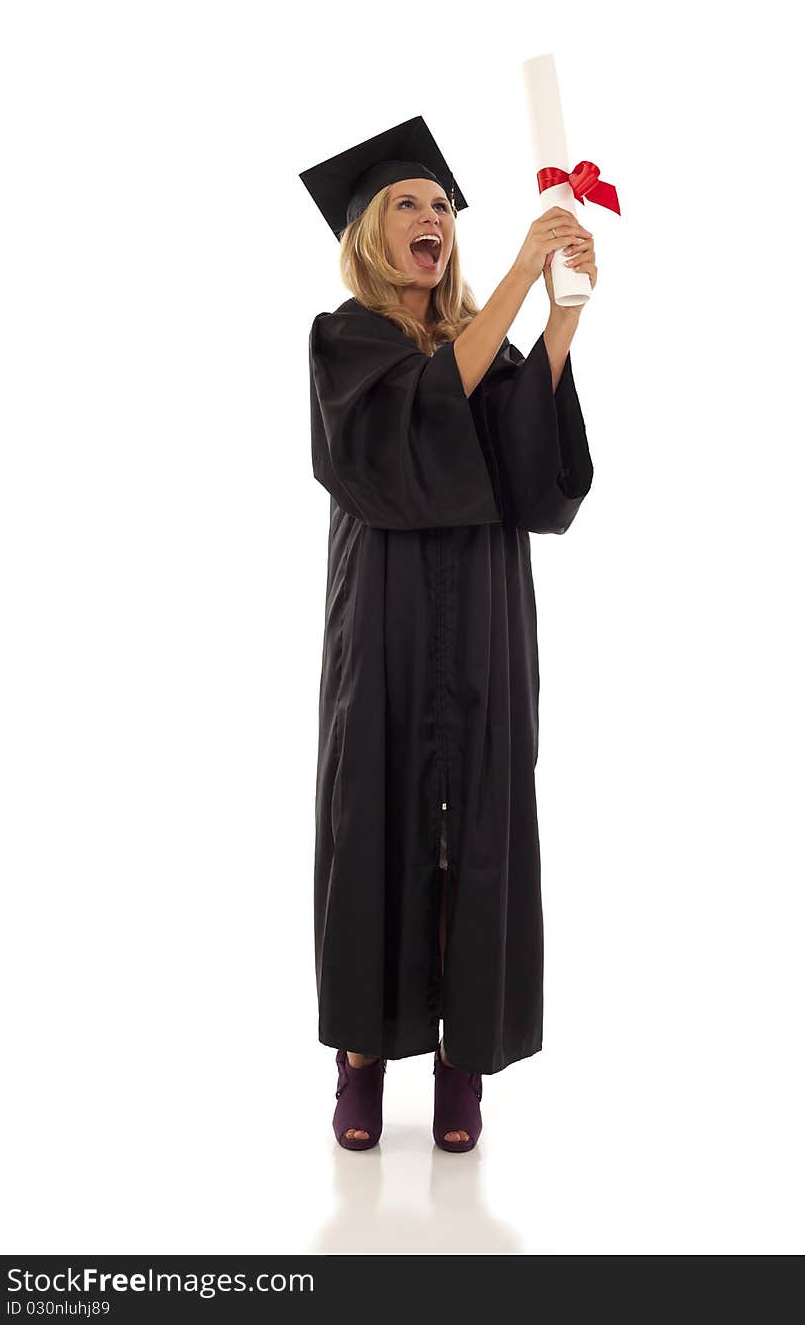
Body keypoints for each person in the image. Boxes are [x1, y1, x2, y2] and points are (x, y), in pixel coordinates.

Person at [299, 115, 596, 1152]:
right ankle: (362, 1059)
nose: (433, 218)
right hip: (380, 619)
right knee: (373, 814)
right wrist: (522, 272)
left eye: (442, 206)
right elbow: (413, 424)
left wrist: (559, 324)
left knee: (474, 820)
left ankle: (465, 1061)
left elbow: (533, 481)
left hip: (481, 618)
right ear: (370, 235)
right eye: (408, 204)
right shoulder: (346, 341)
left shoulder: (483, 339)